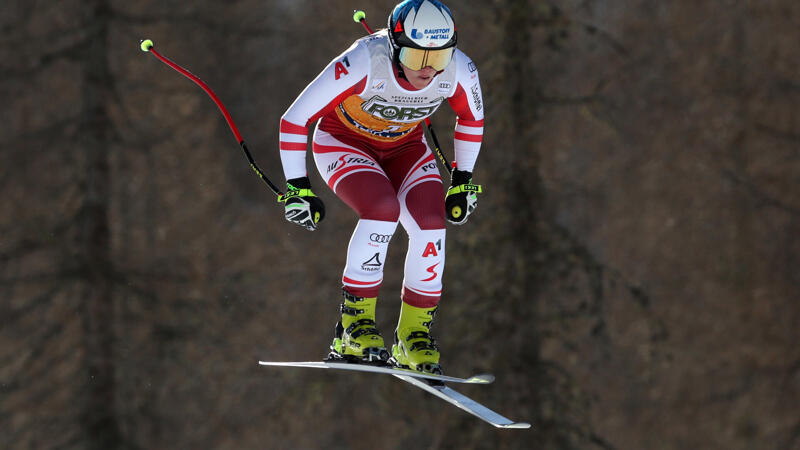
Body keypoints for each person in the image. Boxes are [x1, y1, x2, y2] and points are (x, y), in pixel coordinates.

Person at [277, 0, 484, 374]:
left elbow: (471, 117)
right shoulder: (364, 60)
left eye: (437, 59)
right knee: (382, 212)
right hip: (343, 142)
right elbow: (294, 120)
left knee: (432, 223)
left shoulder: (459, 70)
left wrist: (463, 179)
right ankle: (353, 327)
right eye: (416, 55)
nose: (427, 70)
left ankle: (412, 337)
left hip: (405, 147)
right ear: (394, 45)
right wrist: (299, 187)